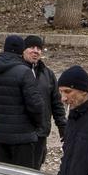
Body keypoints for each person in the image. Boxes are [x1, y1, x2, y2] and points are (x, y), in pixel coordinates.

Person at [0, 33, 48, 167]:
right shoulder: (24, 72)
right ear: (21, 50)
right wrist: (37, 124)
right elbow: (35, 105)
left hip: (1, 135)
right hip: (23, 136)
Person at [23, 35, 63, 168]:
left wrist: (63, 127)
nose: (36, 51)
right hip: (21, 133)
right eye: (32, 47)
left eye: (39, 48)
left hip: (41, 132)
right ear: (23, 50)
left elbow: (56, 103)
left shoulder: (48, 74)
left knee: (35, 169)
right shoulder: (16, 72)